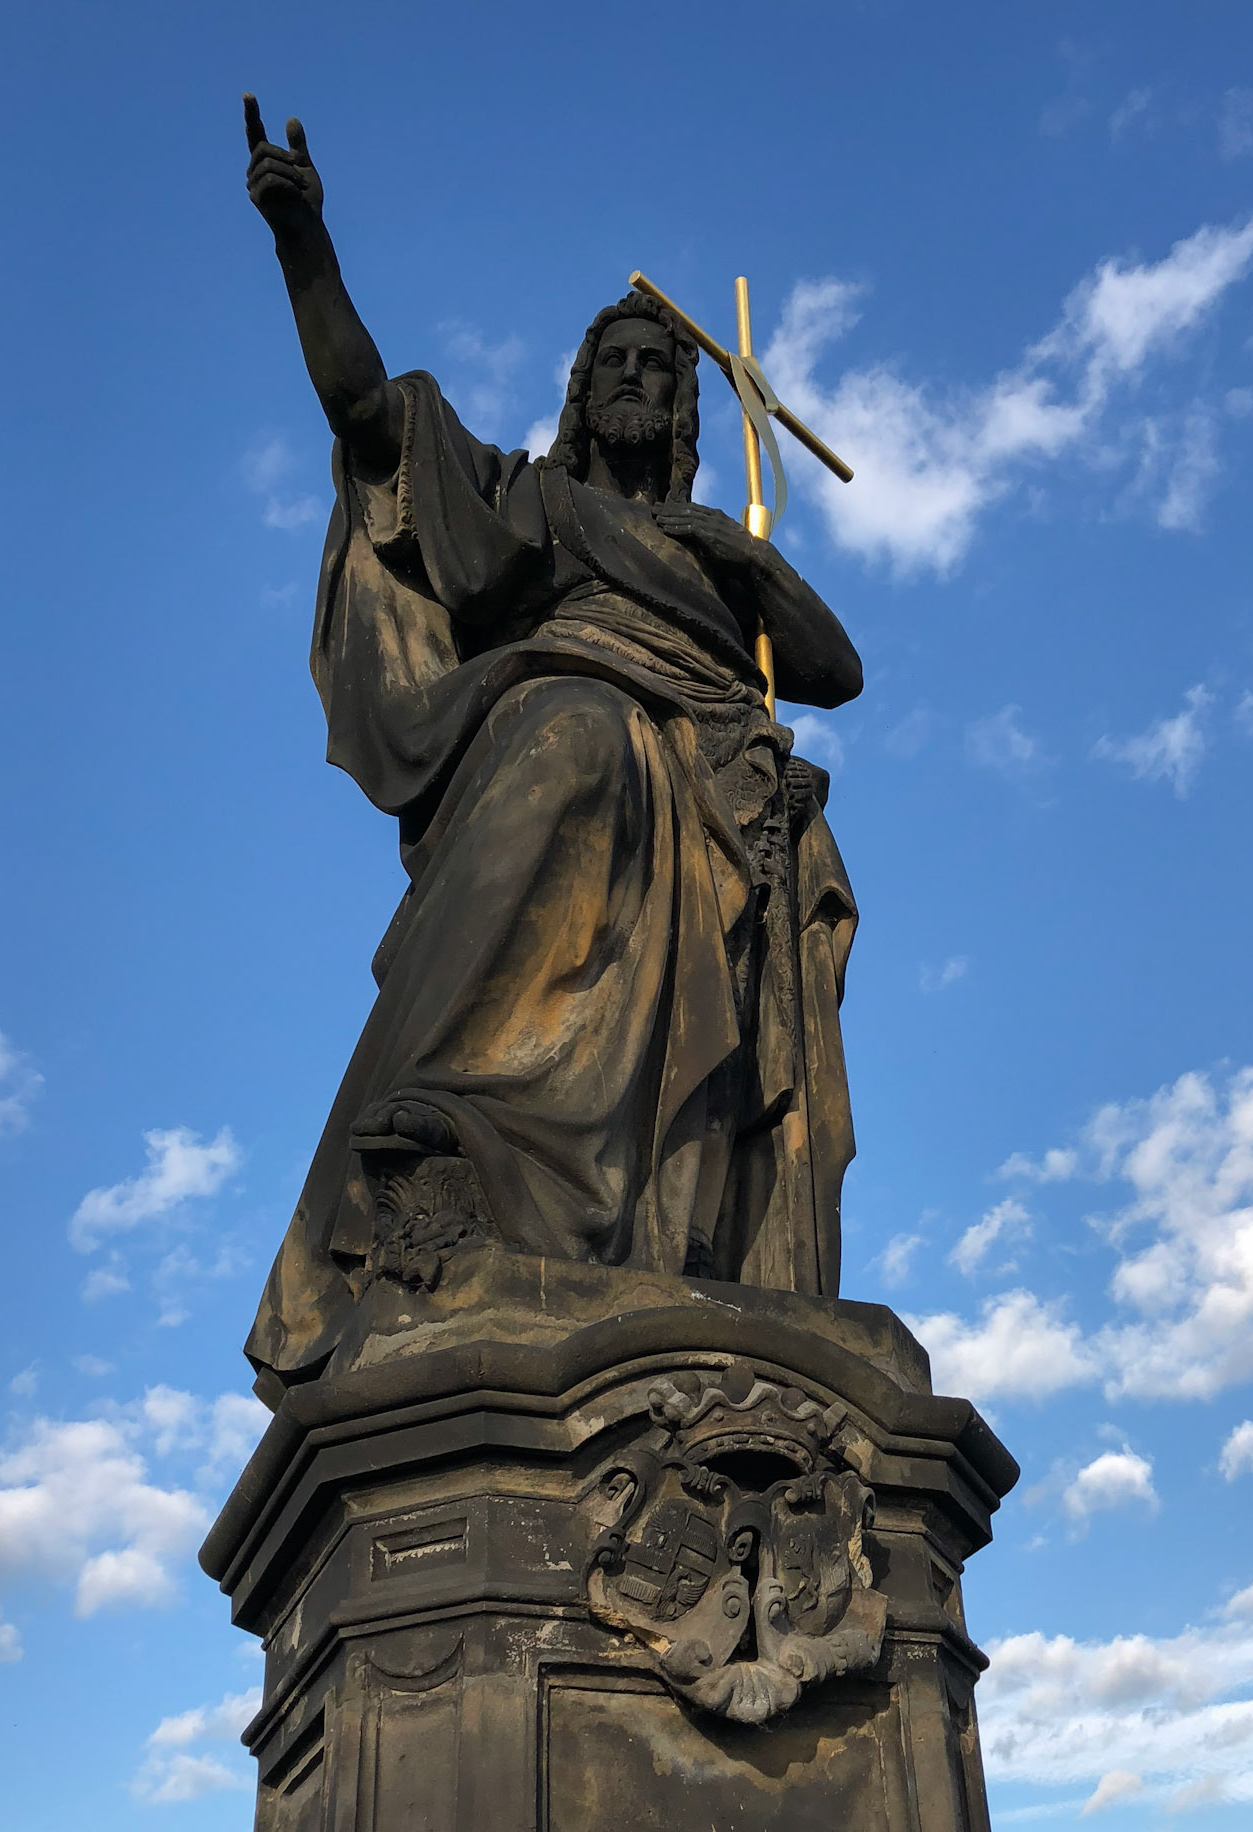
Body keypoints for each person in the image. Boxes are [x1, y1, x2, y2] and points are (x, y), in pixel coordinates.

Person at [239, 98, 865, 1385]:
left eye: (660, 369)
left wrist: (736, 548)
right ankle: (458, 1114)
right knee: (580, 735)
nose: (637, 380)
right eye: (617, 365)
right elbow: (367, 408)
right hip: (569, 718)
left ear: (691, 408)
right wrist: (306, 243)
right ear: (584, 393)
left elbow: (834, 669)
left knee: (633, 760)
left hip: (716, 778)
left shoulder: (714, 553)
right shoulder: (533, 499)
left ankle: (665, 1224)